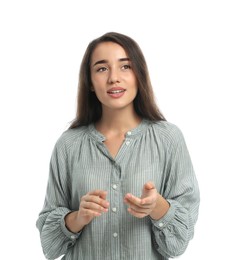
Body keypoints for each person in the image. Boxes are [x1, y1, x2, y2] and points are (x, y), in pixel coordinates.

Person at [36, 32, 200, 260]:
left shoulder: (168, 139)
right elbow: (49, 245)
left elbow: (178, 243)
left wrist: (157, 207)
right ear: (91, 83)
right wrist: (78, 217)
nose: (114, 78)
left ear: (138, 75)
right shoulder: (69, 145)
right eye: (102, 69)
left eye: (125, 67)